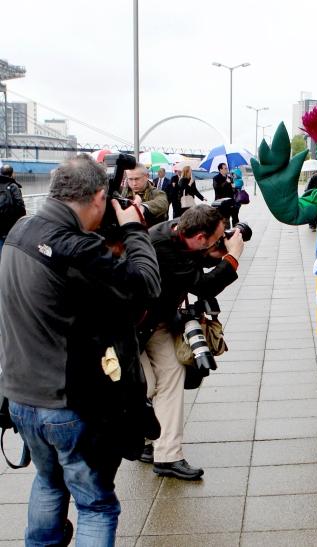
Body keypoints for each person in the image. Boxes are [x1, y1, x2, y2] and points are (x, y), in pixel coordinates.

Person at [0, 155, 160, 545]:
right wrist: (136, 228)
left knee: (49, 483)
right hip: (66, 403)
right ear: (99, 197)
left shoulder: (19, 232)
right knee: (96, 505)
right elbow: (146, 286)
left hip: (21, 397)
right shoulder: (75, 248)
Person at [137, 204, 244, 480]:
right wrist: (232, 256)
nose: (221, 239)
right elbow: (202, 285)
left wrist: (215, 253)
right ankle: (141, 432)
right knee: (144, 385)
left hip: (157, 320)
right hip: (126, 326)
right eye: (217, 237)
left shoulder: (182, 229)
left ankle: (167, 455)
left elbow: (196, 260)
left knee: (171, 373)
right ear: (200, 238)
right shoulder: (161, 246)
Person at [0, 164, 26, 257]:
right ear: (12, 174)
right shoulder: (13, 186)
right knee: (11, 250)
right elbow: (20, 205)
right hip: (11, 225)